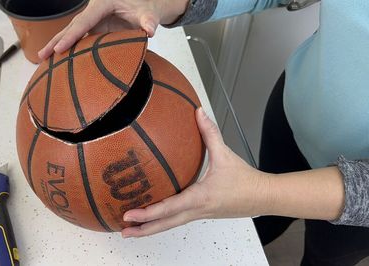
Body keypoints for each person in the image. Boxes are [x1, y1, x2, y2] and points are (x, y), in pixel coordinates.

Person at [38, 1, 369, 265]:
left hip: (356, 207)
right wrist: (162, 3)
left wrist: (263, 191)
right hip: (295, 105)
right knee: (261, 220)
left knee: (325, 256)